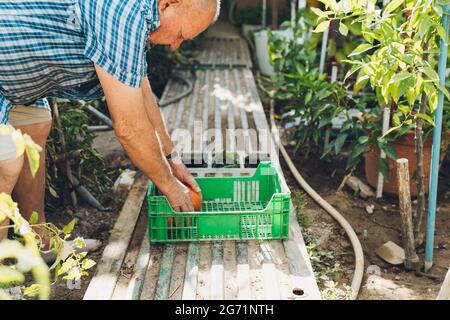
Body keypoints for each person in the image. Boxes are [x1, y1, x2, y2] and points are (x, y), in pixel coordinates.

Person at [0, 0, 220, 248]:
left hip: (15, 87)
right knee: (7, 160)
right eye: (180, 34)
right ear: (168, 4)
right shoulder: (125, 12)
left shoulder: (140, 18)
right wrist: (169, 186)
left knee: (36, 126)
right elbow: (129, 128)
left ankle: (39, 242)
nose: (174, 45)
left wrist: (172, 158)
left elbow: (142, 94)